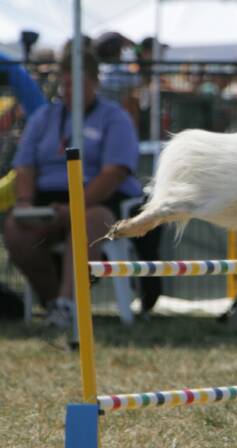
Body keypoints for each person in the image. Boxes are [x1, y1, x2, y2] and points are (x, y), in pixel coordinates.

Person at [2, 49, 142, 328]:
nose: (69, 91)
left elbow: (114, 173)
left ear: (94, 82)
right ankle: (54, 302)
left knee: (90, 221)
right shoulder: (43, 118)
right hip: (47, 202)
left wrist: (73, 208)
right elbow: (25, 166)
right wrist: (25, 202)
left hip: (99, 202)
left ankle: (68, 303)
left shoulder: (115, 119)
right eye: (65, 84)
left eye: (76, 84)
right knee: (15, 230)